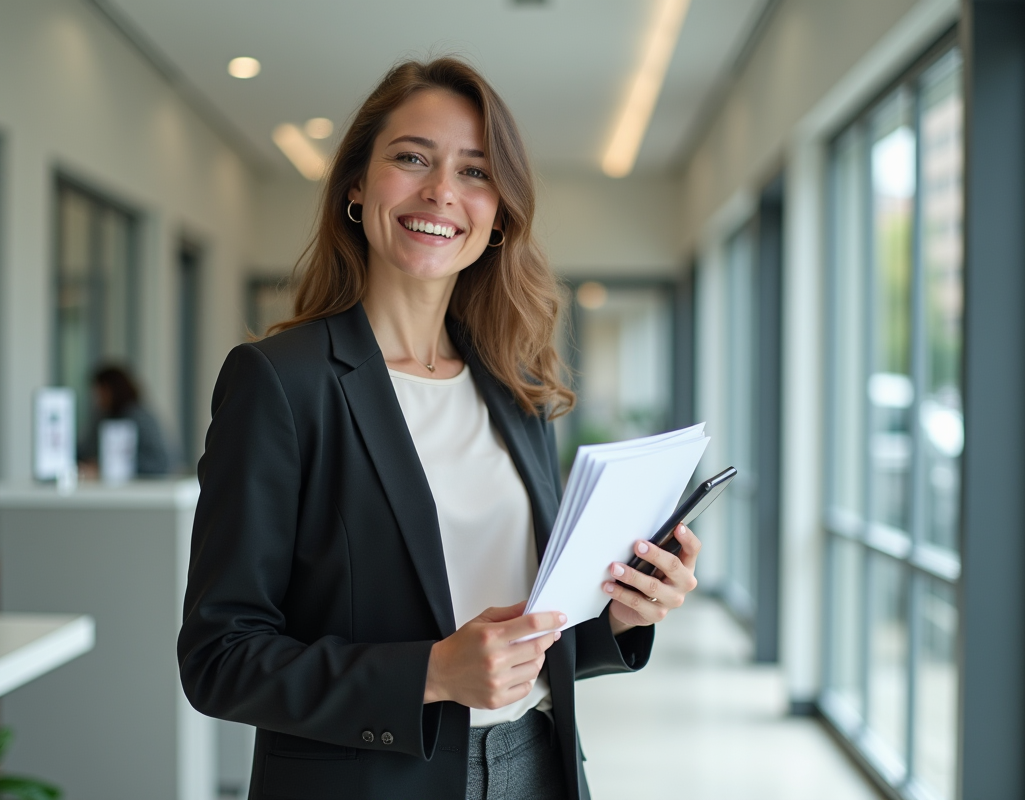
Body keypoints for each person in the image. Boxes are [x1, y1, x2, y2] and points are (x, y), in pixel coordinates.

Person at [177, 58, 701, 800]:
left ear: (498, 216)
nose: (441, 192)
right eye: (412, 158)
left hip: (536, 768)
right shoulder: (281, 382)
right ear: (356, 186)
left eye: (475, 172)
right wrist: (430, 674)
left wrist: (619, 615)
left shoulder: (513, 388)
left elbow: (532, 635)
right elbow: (219, 658)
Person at [77, 364, 172, 476]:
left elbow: (161, 462)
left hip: (139, 489)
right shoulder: (102, 417)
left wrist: (107, 465)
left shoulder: (139, 418)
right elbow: (84, 450)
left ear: (111, 390)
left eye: (100, 392)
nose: (97, 399)